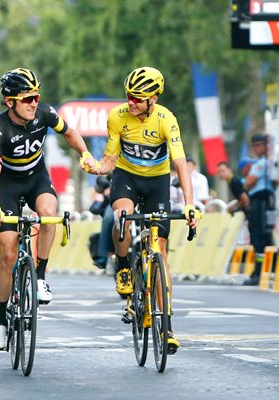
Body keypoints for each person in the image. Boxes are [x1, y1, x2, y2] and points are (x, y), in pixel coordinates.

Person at [88, 66, 201, 354]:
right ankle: (124, 266)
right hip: (126, 178)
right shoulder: (117, 117)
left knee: (160, 251)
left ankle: (168, 326)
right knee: (121, 217)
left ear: (154, 99)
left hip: (157, 182)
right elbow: (110, 159)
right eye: (128, 95)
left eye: (138, 98)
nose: (131, 102)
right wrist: (97, 167)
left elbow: (179, 164)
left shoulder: (167, 120)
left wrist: (189, 203)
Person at [0, 68, 96, 350]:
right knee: (7, 254)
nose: (34, 103)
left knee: (49, 213)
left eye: (36, 97)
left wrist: (84, 154)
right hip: (8, 184)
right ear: (10, 102)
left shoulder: (44, 113)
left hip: (36, 178)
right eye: (27, 99)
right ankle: (0, 322)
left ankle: (41, 277)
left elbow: (70, 133)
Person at [243, 133, 276, 285]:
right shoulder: (268, 162)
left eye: (259, 145)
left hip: (259, 201)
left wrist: (244, 182)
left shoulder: (261, 163)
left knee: (258, 237)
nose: (256, 149)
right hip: (266, 201)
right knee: (264, 237)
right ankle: (263, 269)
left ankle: (260, 271)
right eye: (254, 146)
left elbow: (249, 182)